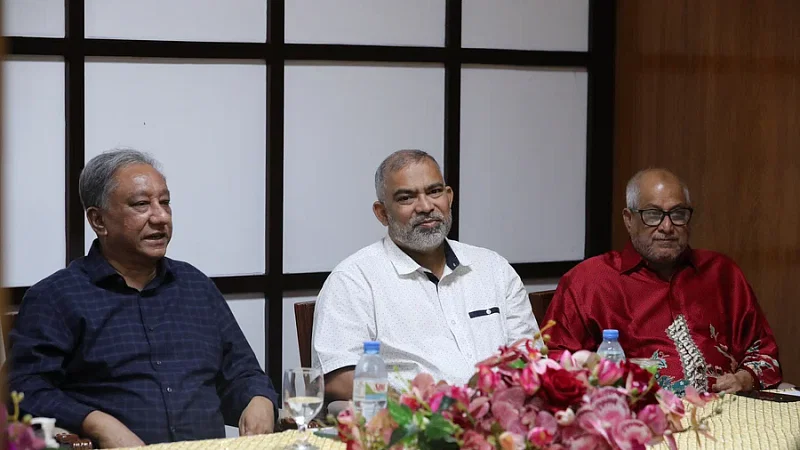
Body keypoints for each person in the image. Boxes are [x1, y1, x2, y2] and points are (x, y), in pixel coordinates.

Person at [8, 149, 278, 447]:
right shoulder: (56, 297)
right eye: (141, 204)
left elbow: (242, 370)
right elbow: (26, 389)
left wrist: (259, 399)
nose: (161, 217)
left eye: (165, 202)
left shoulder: (195, 286)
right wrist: (97, 422)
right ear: (99, 221)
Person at [312, 149, 539, 401]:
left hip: (500, 424)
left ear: (449, 197)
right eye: (407, 198)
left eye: (434, 192)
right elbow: (338, 378)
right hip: (411, 429)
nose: (426, 207)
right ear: (382, 213)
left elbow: (531, 357)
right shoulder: (354, 279)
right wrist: (419, 408)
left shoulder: (494, 268)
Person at [544, 168, 781, 395]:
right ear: (629, 219)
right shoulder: (590, 281)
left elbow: (764, 355)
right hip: (638, 419)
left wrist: (745, 377)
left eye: (677, 214)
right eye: (653, 215)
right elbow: (553, 364)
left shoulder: (721, 274)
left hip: (727, 412)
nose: (667, 227)